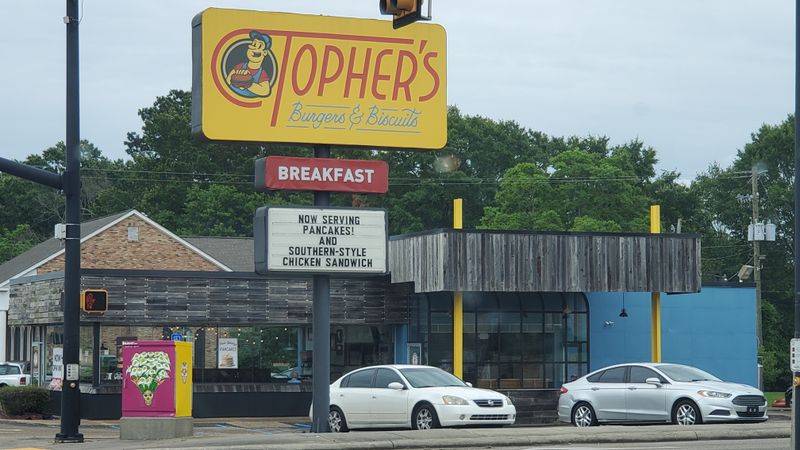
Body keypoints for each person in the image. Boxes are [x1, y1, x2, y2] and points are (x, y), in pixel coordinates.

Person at [226, 31, 272, 98]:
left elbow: (265, 91)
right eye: (253, 44)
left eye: (259, 46)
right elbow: (226, 82)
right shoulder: (240, 66)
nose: (254, 48)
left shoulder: (261, 74)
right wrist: (236, 79)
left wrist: (246, 83)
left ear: (264, 52)